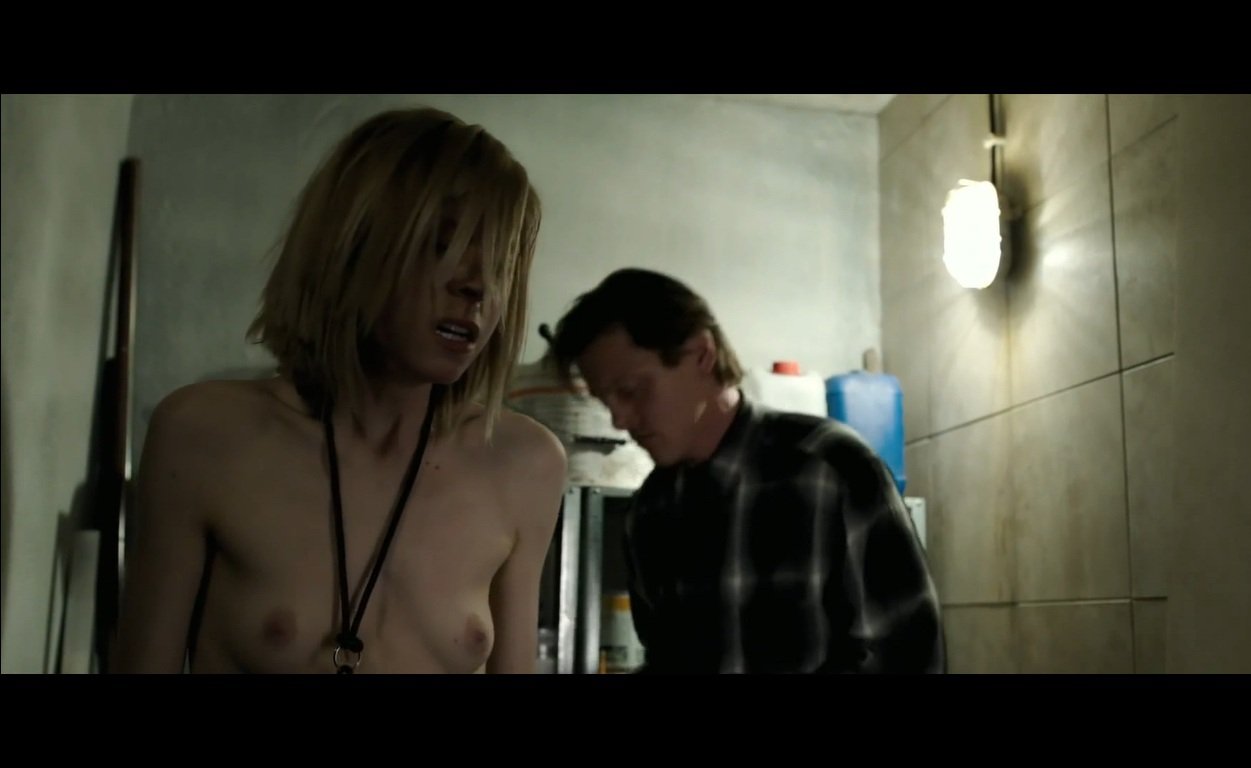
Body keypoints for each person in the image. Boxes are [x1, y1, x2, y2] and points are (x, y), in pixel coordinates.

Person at [109, 107, 566, 673]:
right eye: (442, 245)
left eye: (500, 262)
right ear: (354, 246)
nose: (476, 285)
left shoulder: (524, 463)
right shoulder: (206, 435)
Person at [549, 268, 944, 673]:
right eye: (606, 401)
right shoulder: (649, 512)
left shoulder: (829, 469)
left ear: (702, 353)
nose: (618, 420)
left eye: (631, 391)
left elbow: (909, 656)